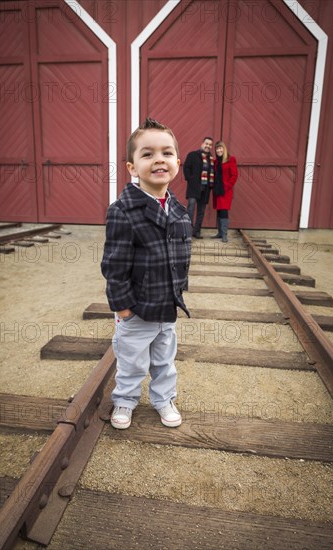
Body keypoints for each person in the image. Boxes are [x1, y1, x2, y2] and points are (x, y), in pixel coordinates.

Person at [101, 118, 191, 430]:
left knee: (164, 359)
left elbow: (180, 256)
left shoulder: (179, 210)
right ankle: (125, 400)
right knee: (132, 360)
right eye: (147, 154)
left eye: (166, 153)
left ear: (177, 163)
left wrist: (178, 290)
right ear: (131, 167)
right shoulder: (123, 211)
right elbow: (115, 264)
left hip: (166, 306)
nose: (158, 160)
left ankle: (163, 398)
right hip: (137, 308)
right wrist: (122, 306)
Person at [183, 137, 214, 238]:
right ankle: (188, 230)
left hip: (205, 189)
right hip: (194, 187)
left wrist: (210, 186)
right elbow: (186, 167)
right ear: (202, 143)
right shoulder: (193, 155)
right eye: (206, 143)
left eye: (210, 145)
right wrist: (190, 179)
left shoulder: (211, 159)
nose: (208, 146)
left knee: (201, 211)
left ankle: (196, 231)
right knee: (191, 208)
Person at [212, 141, 238, 242]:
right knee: (219, 210)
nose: (219, 150)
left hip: (225, 190)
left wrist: (227, 185)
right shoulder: (216, 162)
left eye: (220, 148)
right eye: (217, 149)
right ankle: (220, 233)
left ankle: (224, 235)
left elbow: (234, 175)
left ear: (224, 149)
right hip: (217, 190)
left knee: (223, 211)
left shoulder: (231, 159)